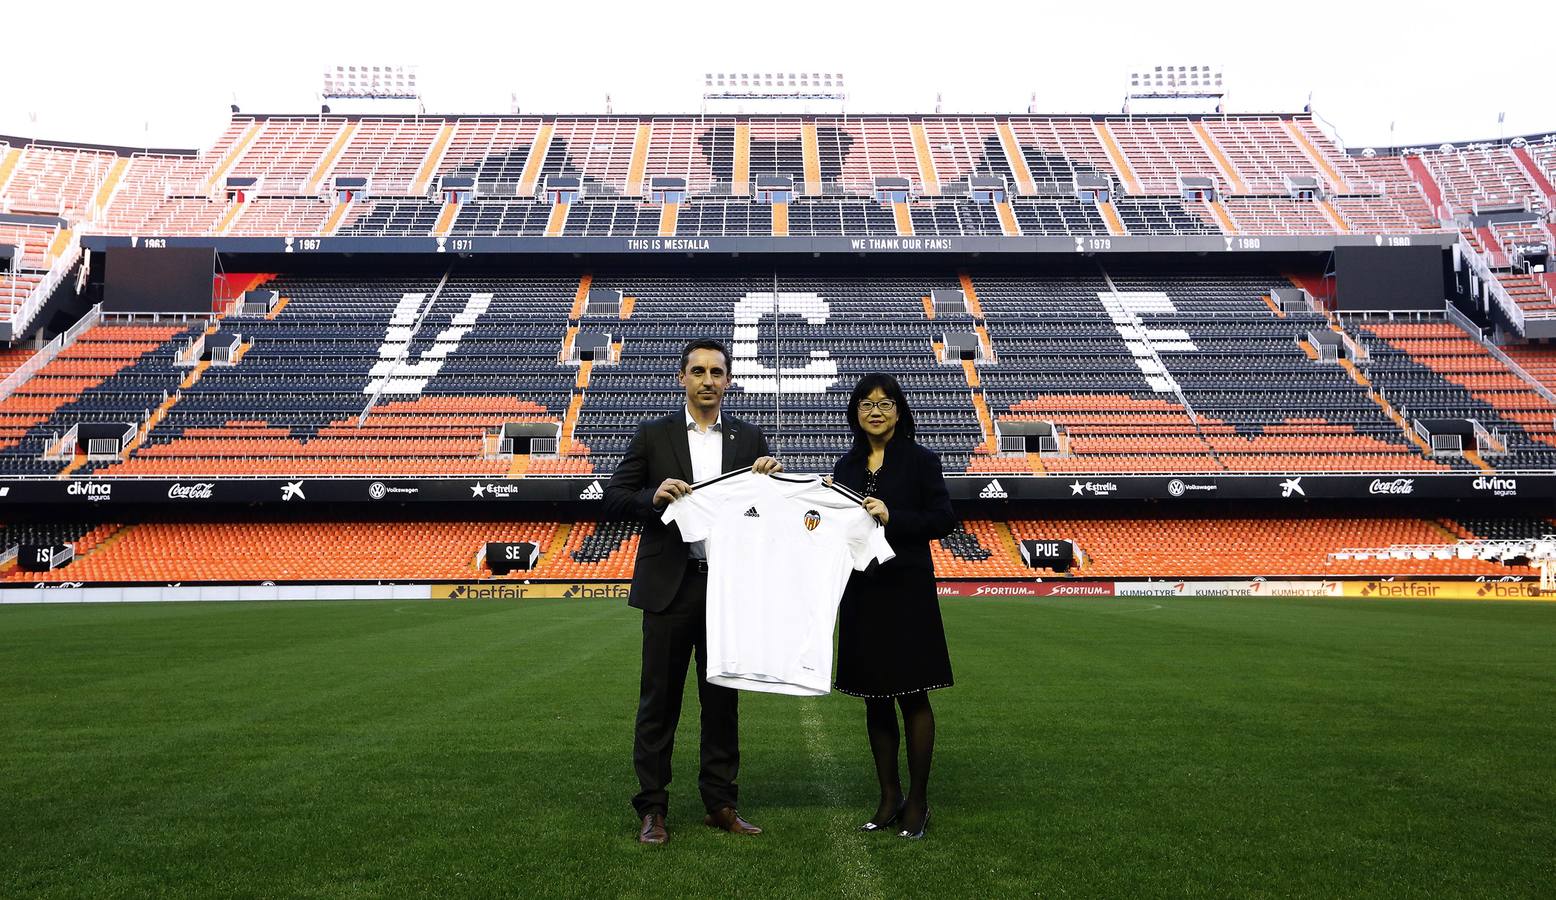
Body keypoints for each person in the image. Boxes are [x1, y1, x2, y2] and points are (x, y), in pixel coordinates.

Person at [602, 338, 782, 845]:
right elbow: (613, 497)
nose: (708, 380)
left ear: (728, 381)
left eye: (717, 372)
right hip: (669, 589)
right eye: (698, 371)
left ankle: (720, 802)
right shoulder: (653, 435)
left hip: (728, 588)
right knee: (659, 702)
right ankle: (653, 808)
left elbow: (765, 513)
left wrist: (772, 478)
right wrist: (649, 497)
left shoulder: (749, 440)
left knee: (722, 700)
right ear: (682, 377)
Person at [830, 373, 956, 840]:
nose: (875, 411)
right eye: (866, 403)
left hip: (907, 591)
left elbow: (944, 518)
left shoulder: (922, 461)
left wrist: (893, 516)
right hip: (862, 592)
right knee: (874, 697)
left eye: (885, 403)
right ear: (855, 413)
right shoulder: (844, 468)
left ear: (899, 411)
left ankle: (917, 802)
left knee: (912, 694)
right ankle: (888, 796)